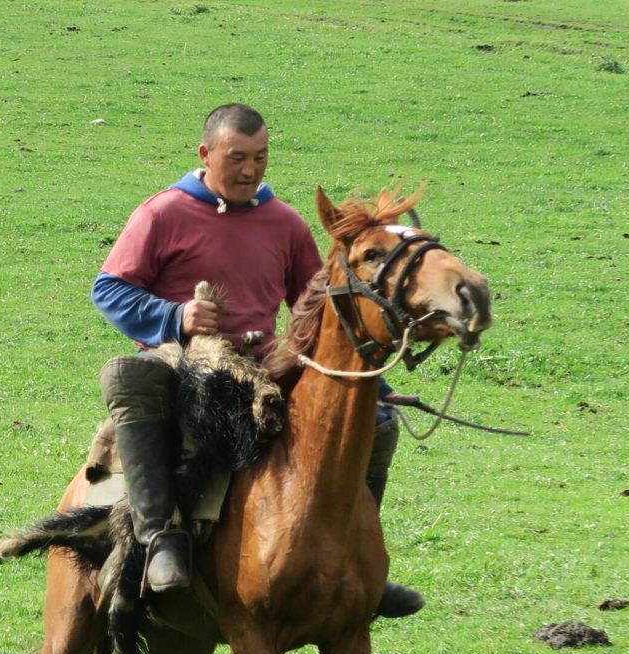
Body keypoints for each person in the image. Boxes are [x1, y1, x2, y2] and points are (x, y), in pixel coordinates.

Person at [91, 103, 423, 617]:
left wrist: (372, 385)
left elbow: (320, 309)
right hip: (183, 357)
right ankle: (159, 537)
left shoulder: (284, 221)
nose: (250, 171)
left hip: (264, 359)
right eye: (237, 158)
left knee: (378, 424)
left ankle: (357, 560)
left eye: (261, 158)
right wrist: (176, 316)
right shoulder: (162, 212)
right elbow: (109, 289)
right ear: (206, 154)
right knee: (127, 376)